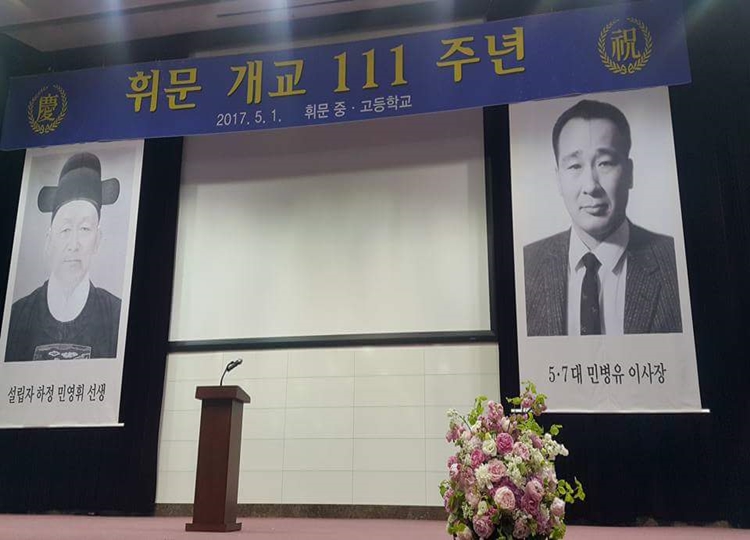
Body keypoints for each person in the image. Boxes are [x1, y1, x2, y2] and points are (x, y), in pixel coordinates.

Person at [523, 99, 682, 336]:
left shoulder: (674, 264)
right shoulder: (527, 266)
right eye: (574, 166)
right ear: (558, 179)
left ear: (629, 173)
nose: (590, 186)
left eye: (605, 163)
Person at [5, 152, 122, 361]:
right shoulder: (18, 317)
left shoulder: (116, 315)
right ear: (49, 239)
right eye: (65, 230)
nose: (73, 245)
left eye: (85, 229)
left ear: (97, 239)